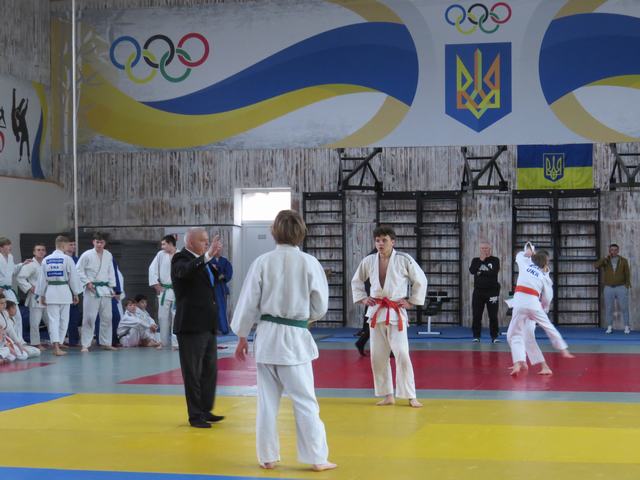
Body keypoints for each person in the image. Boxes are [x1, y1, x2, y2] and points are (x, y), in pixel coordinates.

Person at [232, 210, 336, 472]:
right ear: (302, 232)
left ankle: (267, 457)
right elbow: (320, 306)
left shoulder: (262, 262)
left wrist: (242, 336)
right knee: (304, 400)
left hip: (267, 336)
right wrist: (306, 317)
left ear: (273, 232)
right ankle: (317, 458)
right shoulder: (309, 263)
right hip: (294, 339)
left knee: (267, 403)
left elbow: (248, 302)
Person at [351, 226, 427, 408]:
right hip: (376, 312)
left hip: (394, 312)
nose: (380, 244)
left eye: (384, 240)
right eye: (377, 240)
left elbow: (420, 280)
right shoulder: (369, 261)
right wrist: (362, 298)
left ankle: (410, 395)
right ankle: (388, 395)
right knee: (378, 356)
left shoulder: (403, 259)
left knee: (402, 353)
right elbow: (356, 280)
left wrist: (412, 301)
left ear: (393, 241)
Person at [171, 227, 224, 428]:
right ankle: (195, 415)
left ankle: (205, 409)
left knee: (209, 371)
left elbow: (214, 281)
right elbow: (185, 272)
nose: (206, 243)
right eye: (203, 240)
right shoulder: (180, 259)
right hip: (191, 326)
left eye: (207, 240)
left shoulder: (204, 261)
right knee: (192, 372)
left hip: (207, 324)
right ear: (191, 242)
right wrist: (208, 256)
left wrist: (212, 259)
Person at [507, 242, 574, 376]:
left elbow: (521, 254)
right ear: (546, 262)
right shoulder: (544, 276)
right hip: (534, 305)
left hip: (520, 304)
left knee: (515, 335)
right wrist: (544, 308)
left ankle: (521, 362)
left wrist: (527, 252)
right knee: (540, 330)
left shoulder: (526, 263)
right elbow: (548, 297)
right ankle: (560, 350)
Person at [35, 235, 82, 356]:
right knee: (64, 320)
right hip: (64, 291)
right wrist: (76, 293)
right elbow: (73, 277)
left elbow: (42, 279)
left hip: (51, 292)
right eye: (68, 245)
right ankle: (58, 345)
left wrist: (42, 295)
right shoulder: (67, 259)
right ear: (63, 245)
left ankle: (56, 345)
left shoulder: (46, 260)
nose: (69, 247)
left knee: (53, 320)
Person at [76, 232, 117, 352]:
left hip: (105, 289)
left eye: (101, 242)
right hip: (92, 289)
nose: (99, 244)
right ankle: (85, 344)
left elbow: (111, 271)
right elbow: (78, 270)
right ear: (93, 242)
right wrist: (87, 282)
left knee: (107, 317)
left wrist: (112, 287)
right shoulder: (87, 254)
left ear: (105, 243)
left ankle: (106, 343)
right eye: (97, 242)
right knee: (89, 317)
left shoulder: (108, 255)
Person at [17, 243, 49, 348]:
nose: (41, 252)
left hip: (47, 296)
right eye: (38, 250)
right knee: (35, 322)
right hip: (35, 297)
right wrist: (30, 287)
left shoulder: (47, 263)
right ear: (34, 252)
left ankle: (55, 342)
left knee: (51, 321)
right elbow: (20, 278)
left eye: (43, 250)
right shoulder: (30, 264)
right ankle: (36, 343)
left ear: (45, 252)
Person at [148, 234, 178, 349]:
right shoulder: (160, 255)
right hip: (164, 290)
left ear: (170, 244)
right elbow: (152, 269)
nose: (162, 247)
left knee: (176, 317)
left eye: (164, 244)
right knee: (162, 317)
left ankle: (176, 343)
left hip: (177, 291)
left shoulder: (180, 255)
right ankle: (163, 342)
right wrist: (156, 284)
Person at [594, 244, 631, 334]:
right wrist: (604, 258)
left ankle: (626, 327)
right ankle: (609, 327)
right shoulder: (606, 260)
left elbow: (627, 273)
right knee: (609, 308)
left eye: (615, 250)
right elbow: (596, 265)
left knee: (624, 307)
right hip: (608, 288)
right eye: (611, 250)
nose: (613, 251)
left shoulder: (623, 260)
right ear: (609, 251)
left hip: (621, 287)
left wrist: (626, 286)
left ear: (618, 251)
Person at [469, 242, 501, 343]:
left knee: (493, 315)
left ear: (490, 249)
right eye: (482, 248)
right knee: (477, 315)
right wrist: (481, 261)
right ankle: (476, 336)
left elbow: (493, 273)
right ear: (480, 249)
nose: (484, 250)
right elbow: (472, 271)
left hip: (492, 292)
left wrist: (480, 272)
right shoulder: (475, 260)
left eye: (486, 248)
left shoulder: (495, 260)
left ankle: (494, 337)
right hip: (478, 292)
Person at [0, 237, 31, 339]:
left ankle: (19, 339)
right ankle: (7, 340)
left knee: (16, 315)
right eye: (7, 245)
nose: (10, 247)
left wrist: (23, 264)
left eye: (10, 245)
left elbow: (13, 270)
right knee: (4, 315)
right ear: (1, 248)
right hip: (1, 291)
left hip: (8, 290)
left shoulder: (10, 257)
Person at [64, 240, 82, 346]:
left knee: (74, 317)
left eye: (74, 244)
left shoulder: (77, 260)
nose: (73, 246)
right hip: (62, 289)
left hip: (75, 290)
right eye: (70, 244)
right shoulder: (61, 259)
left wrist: (76, 292)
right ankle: (61, 340)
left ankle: (73, 341)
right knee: (62, 317)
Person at [211, 249, 233, 335]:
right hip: (211, 287)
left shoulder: (225, 261)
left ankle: (223, 329)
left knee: (221, 308)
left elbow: (229, 273)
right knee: (211, 309)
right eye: (216, 250)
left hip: (221, 287)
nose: (218, 251)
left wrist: (223, 276)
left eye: (219, 250)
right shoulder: (209, 260)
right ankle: (213, 329)